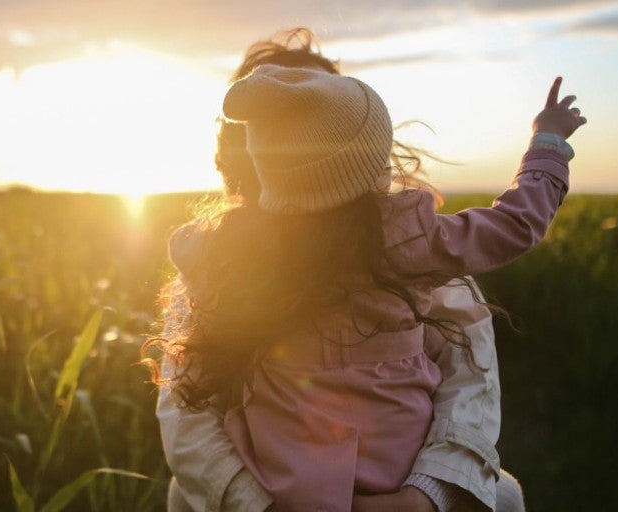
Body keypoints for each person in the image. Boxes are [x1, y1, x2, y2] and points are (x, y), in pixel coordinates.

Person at [149, 29, 584, 511]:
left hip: (376, 487)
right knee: (184, 495)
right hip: (274, 493)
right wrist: (547, 145)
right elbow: (188, 419)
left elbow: (469, 380)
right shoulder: (410, 240)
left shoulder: (227, 250)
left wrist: (423, 497)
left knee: (502, 495)